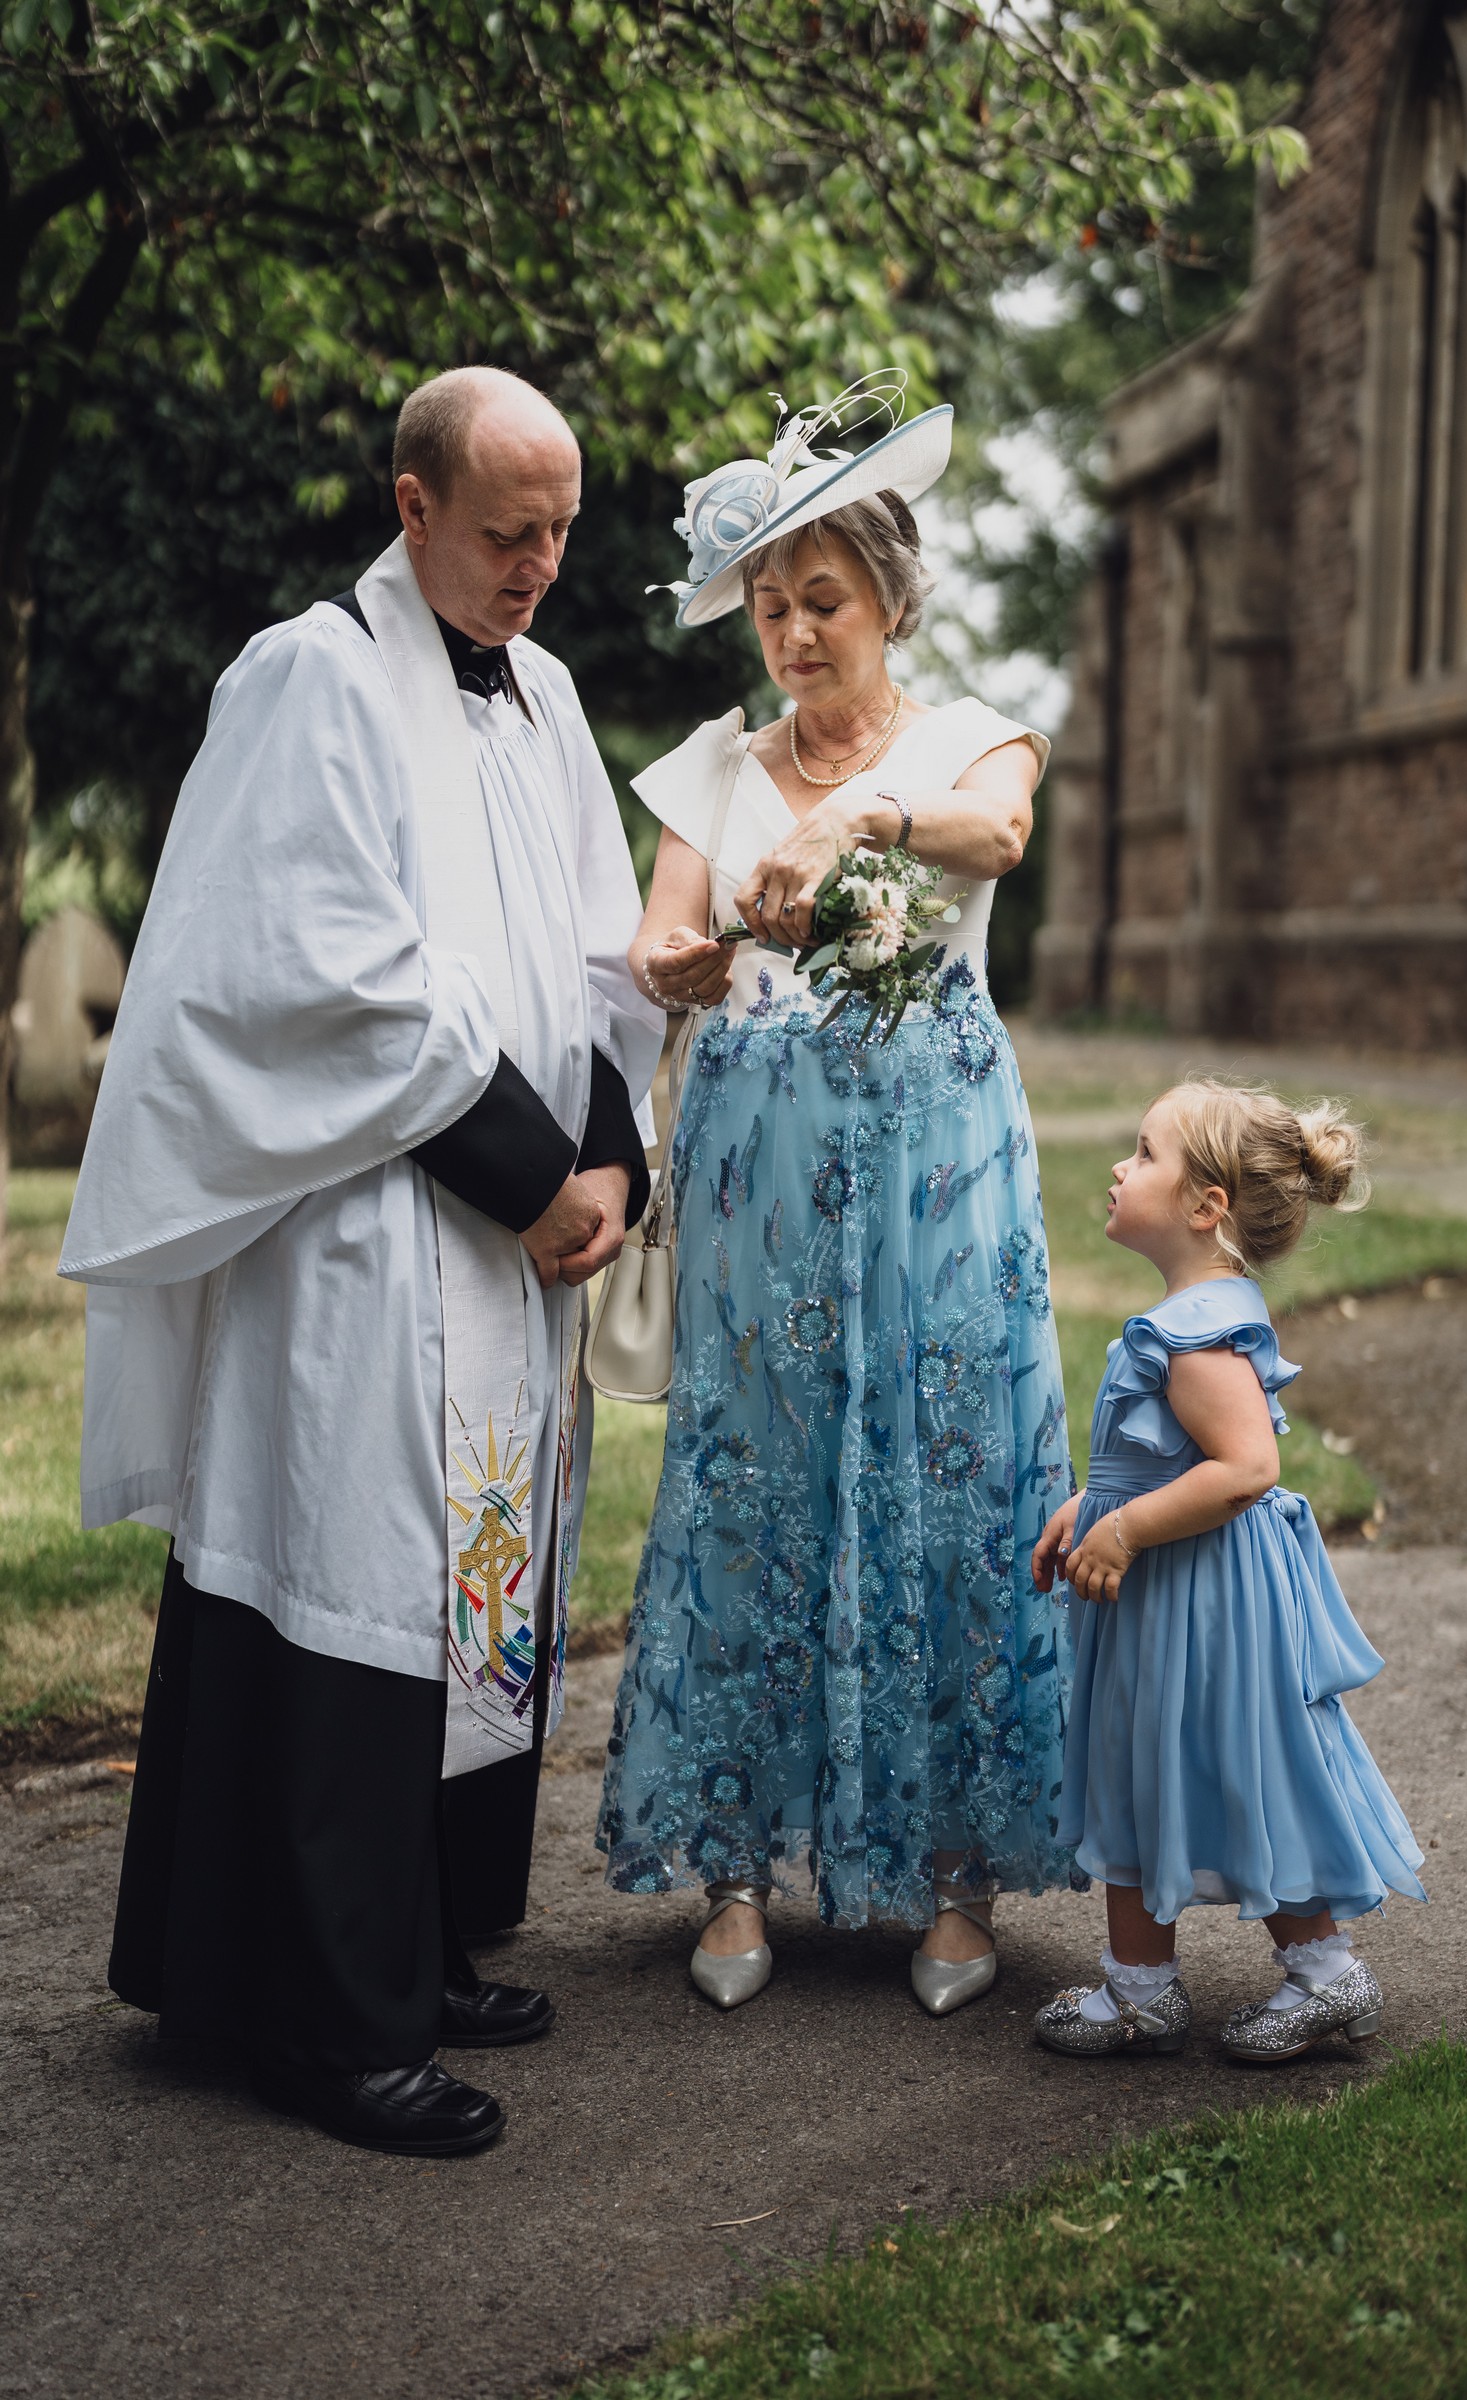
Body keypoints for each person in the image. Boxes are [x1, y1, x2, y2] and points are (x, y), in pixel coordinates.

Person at [59, 367, 662, 2154]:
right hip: (366, 1236)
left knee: (468, 1582)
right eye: (506, 533)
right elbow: (316, 971)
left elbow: (598, 955)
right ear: (413, 508)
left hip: (512, 1241)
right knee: (354, 1577)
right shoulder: (308, 675)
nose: (542, 566)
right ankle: (329, 2021)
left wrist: (610, 1155)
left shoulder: (543, 694)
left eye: (562, 533)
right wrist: (523, 1173)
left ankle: (413, 1940)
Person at [595, 377, 1080, 2014]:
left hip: (938, 1170)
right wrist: (686, 951)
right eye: (771, 608)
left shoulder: (971, 740)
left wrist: (866, 811)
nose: (794, 634)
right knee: (756, 1481)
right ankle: (733, 1870)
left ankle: (956, 1883)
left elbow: (997, 839)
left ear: (888, 596)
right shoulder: (709, 769)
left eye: (824, 601)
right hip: (762, 1174)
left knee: (947, 1479)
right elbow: (663, 942)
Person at [1029, 1080, 1426, 2062]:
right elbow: (1158, 1456)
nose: (1120, 1168)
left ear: (1204, 1207)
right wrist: (1094, 1508)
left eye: (1145, 1152)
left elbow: (1246, 1467)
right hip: (1166, 1603)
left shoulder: (1196, 1337)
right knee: (1136, 1768)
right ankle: (1139, 1990)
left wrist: (1123, 1535)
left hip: (1202, 1612)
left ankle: (1328, 1979)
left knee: (1238, 1774)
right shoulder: (1185, 1316)